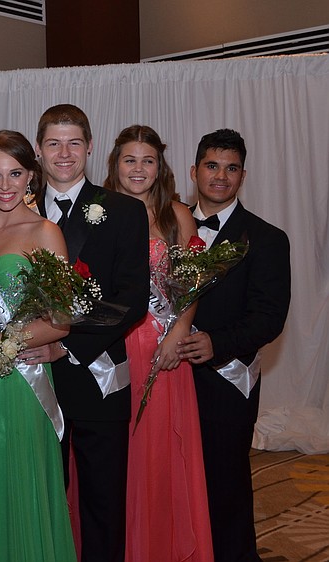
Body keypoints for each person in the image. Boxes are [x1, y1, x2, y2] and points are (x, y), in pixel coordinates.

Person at [20, 104, 149, 562]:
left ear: (90, 147)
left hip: (98, 375)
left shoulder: (124, 211)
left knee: (102, 500)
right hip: (31, 379)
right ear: (38, 150)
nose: (64, 153)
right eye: (53, 143)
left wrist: (66, 344)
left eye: (74, 142)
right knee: (40, 495)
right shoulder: (15, 208)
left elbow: (131, 298)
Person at [0, 130, 76, 561]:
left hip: (18, 379)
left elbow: (60, 323)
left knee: (18, 483)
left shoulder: (46, 232)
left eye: (15, 174)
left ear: (31, 177)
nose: (4, 185)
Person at [178, 129, 291, 562]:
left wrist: (216, 343)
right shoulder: (168, 226)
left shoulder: (266, 239)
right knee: (171, 475)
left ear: (243, 175)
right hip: (168, 373)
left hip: (225, 378)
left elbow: (269, 317)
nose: (220, 176)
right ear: (194, 171)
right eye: (211, 165)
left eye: (231, 168)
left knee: (223, 483)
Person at [103, 125, 213, 561]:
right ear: (115, 164)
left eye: (148, 160)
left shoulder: (176, 215)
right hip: (115, 347)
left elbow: (193, 285)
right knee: (118, 453)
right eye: (130, 159)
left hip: (165, 350)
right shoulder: (100, 212)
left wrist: (181, 331)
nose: (138, 169)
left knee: (162, 456)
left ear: (160, 167)